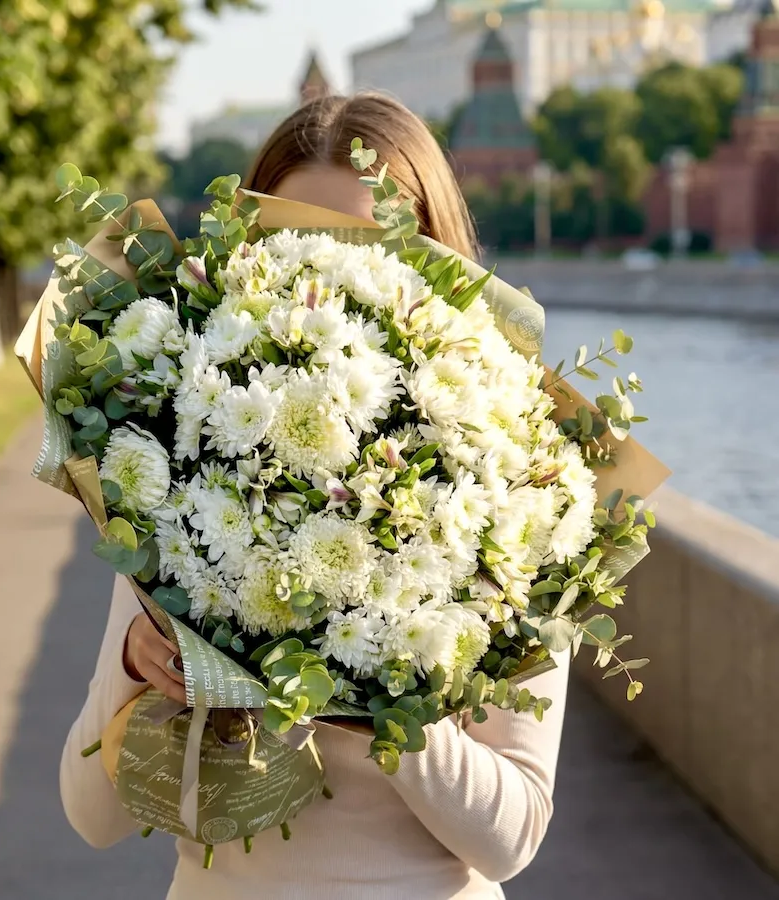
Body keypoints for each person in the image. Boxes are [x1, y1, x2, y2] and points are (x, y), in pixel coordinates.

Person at [60, 93, 569, 900]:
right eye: (302, 246)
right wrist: (133, 668)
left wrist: (370, 695)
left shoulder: (515, 487)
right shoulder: (181, 484)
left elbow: (512, 837)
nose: (333, 286)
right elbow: (93, 818)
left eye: (369, 251)